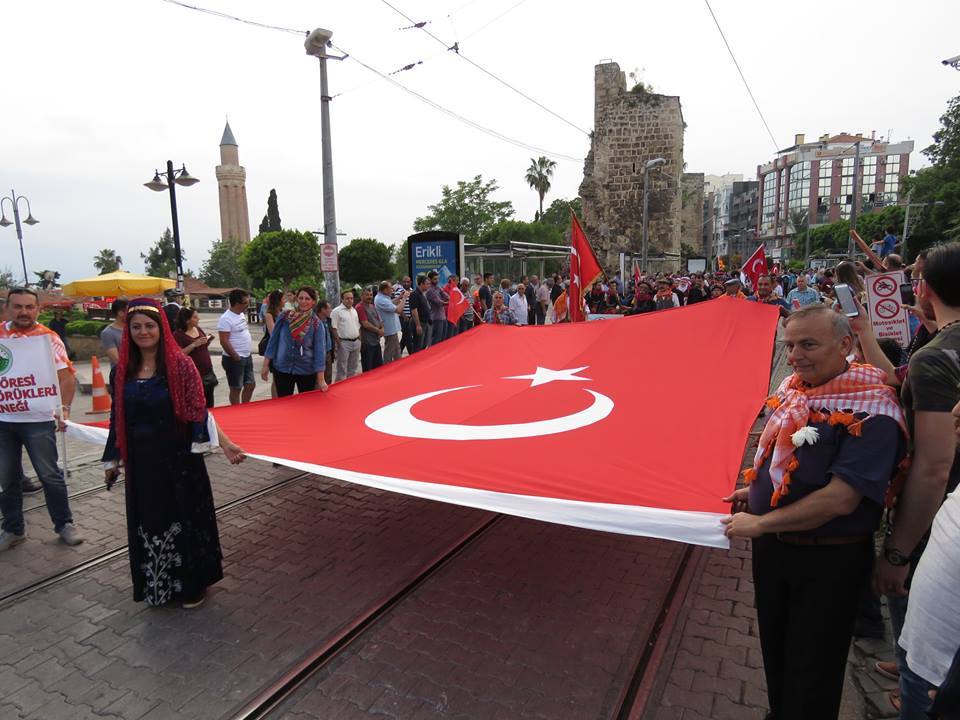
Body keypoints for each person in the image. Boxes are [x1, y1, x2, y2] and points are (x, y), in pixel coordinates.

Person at [722, 305, 907, 720]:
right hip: (775, 552)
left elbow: (841, 499)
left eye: (808, 344)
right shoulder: (795, 390)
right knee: (777, 645)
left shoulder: (872, 409)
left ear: (845, 344)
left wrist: (762, 521)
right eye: (789, 345)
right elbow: (781, 460)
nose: (795, 356)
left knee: (813, 667)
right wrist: (754, 491)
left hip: (828, 560)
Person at [866, 242, 960, 719]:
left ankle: (917, 689)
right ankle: (910, 669)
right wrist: (866, 330)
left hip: (938, 522)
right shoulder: (934, 348)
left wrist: (898, 550)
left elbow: (933, 465)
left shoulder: (939, 358)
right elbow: (898, 381)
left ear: (924, 286)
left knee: (922, 611)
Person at [102, 298, 245, 608]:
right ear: (128, 330)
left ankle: (193, 585)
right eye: (136, 326)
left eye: (149, 326)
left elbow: (198, 410)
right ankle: (160, 585)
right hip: (142, 465)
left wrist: (225, 441)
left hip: (180, 461)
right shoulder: (121, 371)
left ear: (161, 328)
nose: (143, 332)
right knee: (151, 521)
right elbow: (118, 416)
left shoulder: (181, 366)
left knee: (184, 517)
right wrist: (113, 458)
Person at [0, 288, 85, 551]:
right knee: (7, 477)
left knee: (49, 474)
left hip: (38, 419)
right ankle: (13, 529)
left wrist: (65, 409)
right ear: (8, 308)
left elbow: (66, 375)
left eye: (29, 307)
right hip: (3, 419)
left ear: (38, 310)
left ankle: (64, 524)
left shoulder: (49, 338)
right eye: (17, 307)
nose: (23, 312)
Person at [261, 286, 328, 396]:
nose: (303, 301)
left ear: (313, 302)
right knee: (284, 406)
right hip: (282, 368)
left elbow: (320, 352)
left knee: (305, 407)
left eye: (307, 299)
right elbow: (273, 341)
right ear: (296, 299)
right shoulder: (284, 317)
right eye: (301, 298)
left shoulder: (316, 324)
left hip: (306, 370)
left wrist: (321, 379)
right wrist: (265, 365)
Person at [217, 289, 255, 405]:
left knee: (250, 385)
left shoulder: (241, 315)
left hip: (246, 355)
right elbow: (224, 341)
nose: (248, 306)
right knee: (236, 388)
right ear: (238, 303)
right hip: (234, 358)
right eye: (246, 303)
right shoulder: (226, 319)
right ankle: (236, 410)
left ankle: (245, 406)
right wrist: (235, 356)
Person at [173, 307, 217, 408]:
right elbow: (178, 354)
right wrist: (194, 345)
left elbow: (202, 346)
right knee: (197, 404)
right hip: (193, 375)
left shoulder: (198, 328)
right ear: (187, 320)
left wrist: (207, 341)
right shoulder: (178, 335)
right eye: (195, 317)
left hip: (207, 372)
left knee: (210, 402)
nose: (198, 319)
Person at [330, 290, 361, 381]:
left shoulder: (354, 310)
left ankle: (350, 388)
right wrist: (339, 343)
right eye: (347, 298)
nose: (350, 300)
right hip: (344, 343)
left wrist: (359, 340)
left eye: (351, 298)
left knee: (353, 368)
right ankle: (340, 389)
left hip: (356, 342)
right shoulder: (336, 311)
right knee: (342, 370)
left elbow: (358, 325)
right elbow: (333, 328)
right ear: (342, 299)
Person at [375, 280, 406, 364]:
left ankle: (398, 366)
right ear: (385, 290)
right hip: (389, 329)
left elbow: (391, 303)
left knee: (396, 350)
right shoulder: (381, 300)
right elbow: (399, 310)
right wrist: (404, 298)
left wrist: (399, 297)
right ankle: (387, 368)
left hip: (392, 329)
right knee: (390, 351)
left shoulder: (383, 298)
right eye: (390, 288)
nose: (392, 290)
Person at [260, 290, 283, 398]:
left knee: (281, 377)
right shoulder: (269, 314)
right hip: (275, 348)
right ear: (278, 301)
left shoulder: (282, 312)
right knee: (276, 378)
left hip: (283, 348)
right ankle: (275, 400)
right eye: (283, 299)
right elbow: (272, 332)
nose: (284, 301)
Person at [356, 286, 384, 372]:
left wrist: (382, 328)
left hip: (376, 341)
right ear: (361, 296)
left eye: (371, 295)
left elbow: (380, 320)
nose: (369, 297)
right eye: (367, 295)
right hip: (367, 343)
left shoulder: (372, 306)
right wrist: (378, 331)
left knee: (379, 367)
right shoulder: (359, 307)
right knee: (368, 369)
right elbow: (365, 324)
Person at [100, 299, 128, 375]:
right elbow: (116, 359)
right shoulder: (108, 333)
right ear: (120, 313)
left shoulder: (133, 328)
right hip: (121, 374)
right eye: (129, 311)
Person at [425, 271, 450, 346]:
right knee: (436, 339)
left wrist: (451, 298)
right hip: (436, 317)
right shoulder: (430, 290)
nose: (437, 281)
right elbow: (438, 302)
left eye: (437, 279)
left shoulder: (438, 287)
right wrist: (449, 302)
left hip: (442, 317)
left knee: (443, 339)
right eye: (435, 279)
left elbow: (445, 295)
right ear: (429, 279)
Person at [407, 275, 429, 355]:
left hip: (424, 323)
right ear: (421, 284)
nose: (428, 286)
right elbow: (414, 310)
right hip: (419, 323)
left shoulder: (422, 294)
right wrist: (418, 325)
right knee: (417, 346)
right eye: (427, 284)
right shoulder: (414, 294)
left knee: (423, 345)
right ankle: (414, 364)